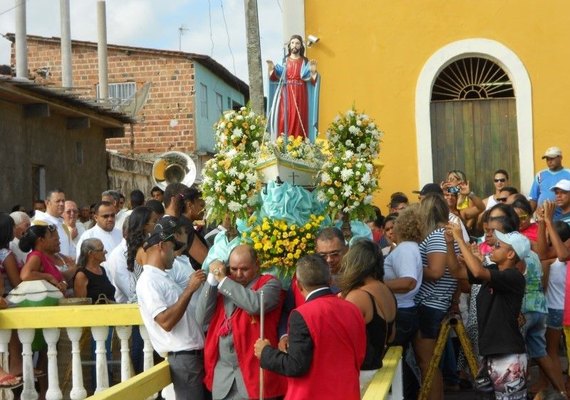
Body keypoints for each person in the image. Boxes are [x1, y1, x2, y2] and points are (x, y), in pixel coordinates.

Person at [254, 254, 366, 400]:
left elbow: (296, 366)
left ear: (298, 284)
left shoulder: (302, 314)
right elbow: (360, 352)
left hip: (313, 393)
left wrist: (266, 353)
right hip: (348, 391)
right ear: (330, 280)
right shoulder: (352, 309)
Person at [446, 223, 531, 398]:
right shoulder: (492, 271)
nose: (493, 246)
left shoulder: (514, 276)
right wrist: (449, 244)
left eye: (498, 246)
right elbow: (456, 271)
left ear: (510, 254)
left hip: (508, 356)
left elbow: (477, 272)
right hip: (492, 353)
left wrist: (460, 239)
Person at [196, 245, 286, 400]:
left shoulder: (270, 284)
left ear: (257, 265)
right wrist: (212, 280)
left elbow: (255, 305)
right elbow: (201, 318)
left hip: (254, 374)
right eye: (233, 269)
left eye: (244, 269)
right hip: (224, 377)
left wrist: (223, 280)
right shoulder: (223, 283)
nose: (238, 274)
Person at [136, 220, 207, 400]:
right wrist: (189, 289)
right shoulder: (148, 280)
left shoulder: (161, 277)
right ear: (161, 246)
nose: (175, 254)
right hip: (183, 357)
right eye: (172, 248)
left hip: (190, 356)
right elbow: (165, 322)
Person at [413, 192, 457, 400]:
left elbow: (437, 271)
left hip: (431, 303)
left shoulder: (438, 235)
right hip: (437, 302)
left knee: (427, 362)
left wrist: (412, 268)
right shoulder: (445, 234)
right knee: (429, 363)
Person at [339, 239, 397, 394]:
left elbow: (343, 339)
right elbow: (391, 336)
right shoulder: (385, 290)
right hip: (378, 367)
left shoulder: (358, 296)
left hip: (361, 374)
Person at [267, 34, 320, 140]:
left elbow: (313, 80)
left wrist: (313, 71)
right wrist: (272, 68)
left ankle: (299, 144)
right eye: (292, 43)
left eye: (297, 43)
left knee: (299, 115)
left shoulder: (305, 62)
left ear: (301, 46)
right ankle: (283, 142)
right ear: (289, 46)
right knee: (285, 115)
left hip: (300, 92)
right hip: (286, 92)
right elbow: (275, 76)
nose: (294, 45)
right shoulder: (284, 61)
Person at [529, 147, 570, 215]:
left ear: (560, 158)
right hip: (542, 218)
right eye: (547, 159)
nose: (549, 161)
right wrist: (529, 216)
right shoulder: (540, 175)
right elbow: (533, 199)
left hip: (563, 219)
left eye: (552, 158)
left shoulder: (568, 173)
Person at [33, 189, 73, 258]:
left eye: (63, 201)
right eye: (58, 201)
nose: (62, 204)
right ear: (47, 203)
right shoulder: (39, 223)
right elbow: (37, 253)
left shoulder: (63, 225)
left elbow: (71, 250)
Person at [74, 238, 115, 303]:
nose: (105, 252)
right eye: (101, 250)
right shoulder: (81, 275)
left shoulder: (102, 270)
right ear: (90, 253)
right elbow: (81, 304)